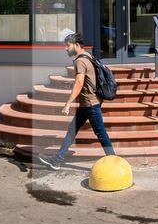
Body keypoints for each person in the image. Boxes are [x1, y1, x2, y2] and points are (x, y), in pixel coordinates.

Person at [37, 34, 115, 170]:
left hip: (90, 104)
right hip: (87, 103)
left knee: (101, 133)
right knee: (71, 131)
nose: (66, 48)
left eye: (68, 45)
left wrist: (68, 103)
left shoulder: (80, 61)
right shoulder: (88, 56)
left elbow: (79, 83)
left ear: (77, 45)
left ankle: (114, 162)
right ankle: (57, 160)